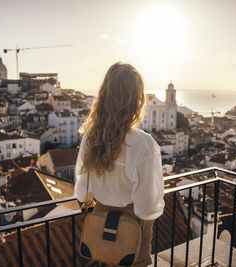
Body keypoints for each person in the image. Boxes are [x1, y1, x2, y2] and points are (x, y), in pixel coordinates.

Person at [74, 62, 165, 266]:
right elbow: (148, 206)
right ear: (137, 100)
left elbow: (82, 192)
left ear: (104, 96)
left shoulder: (91, 137)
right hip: (133, 228)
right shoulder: (144, 145)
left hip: (100, 223)